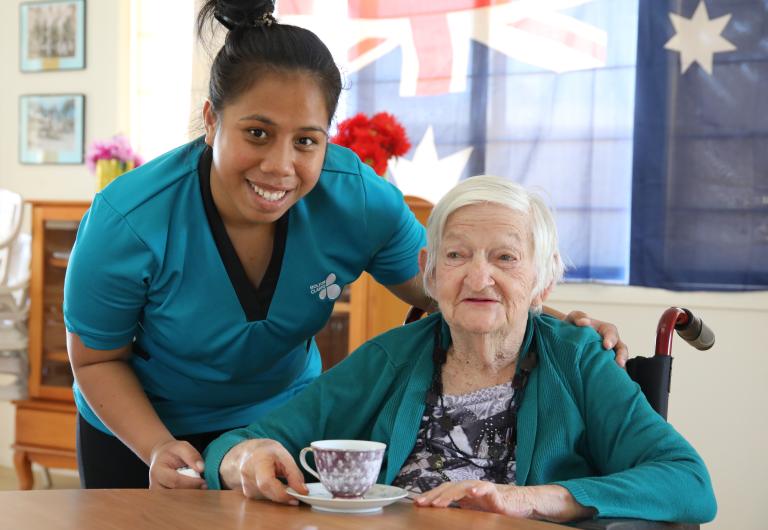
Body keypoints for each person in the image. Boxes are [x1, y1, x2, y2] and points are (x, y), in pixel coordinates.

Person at [64, 0, 626, 490]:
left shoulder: (357, 200)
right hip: (141, 428)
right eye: (256, 133)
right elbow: (95, 358)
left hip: (278, 429)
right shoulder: (128, 220)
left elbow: (450, 290)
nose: (280, 166)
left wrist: (551, 317)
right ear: (212, 121)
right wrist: (159, 447)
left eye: (306, 141)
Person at [204, 176, 717, 524]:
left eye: (505, 257)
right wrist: (242, 456)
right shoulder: (391, 358)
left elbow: (688, 481)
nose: (478, 276)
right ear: (429, 270)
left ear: (543, 279)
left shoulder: (578, 360)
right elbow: (241, 444)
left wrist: (528, 500)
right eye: (456, 255)